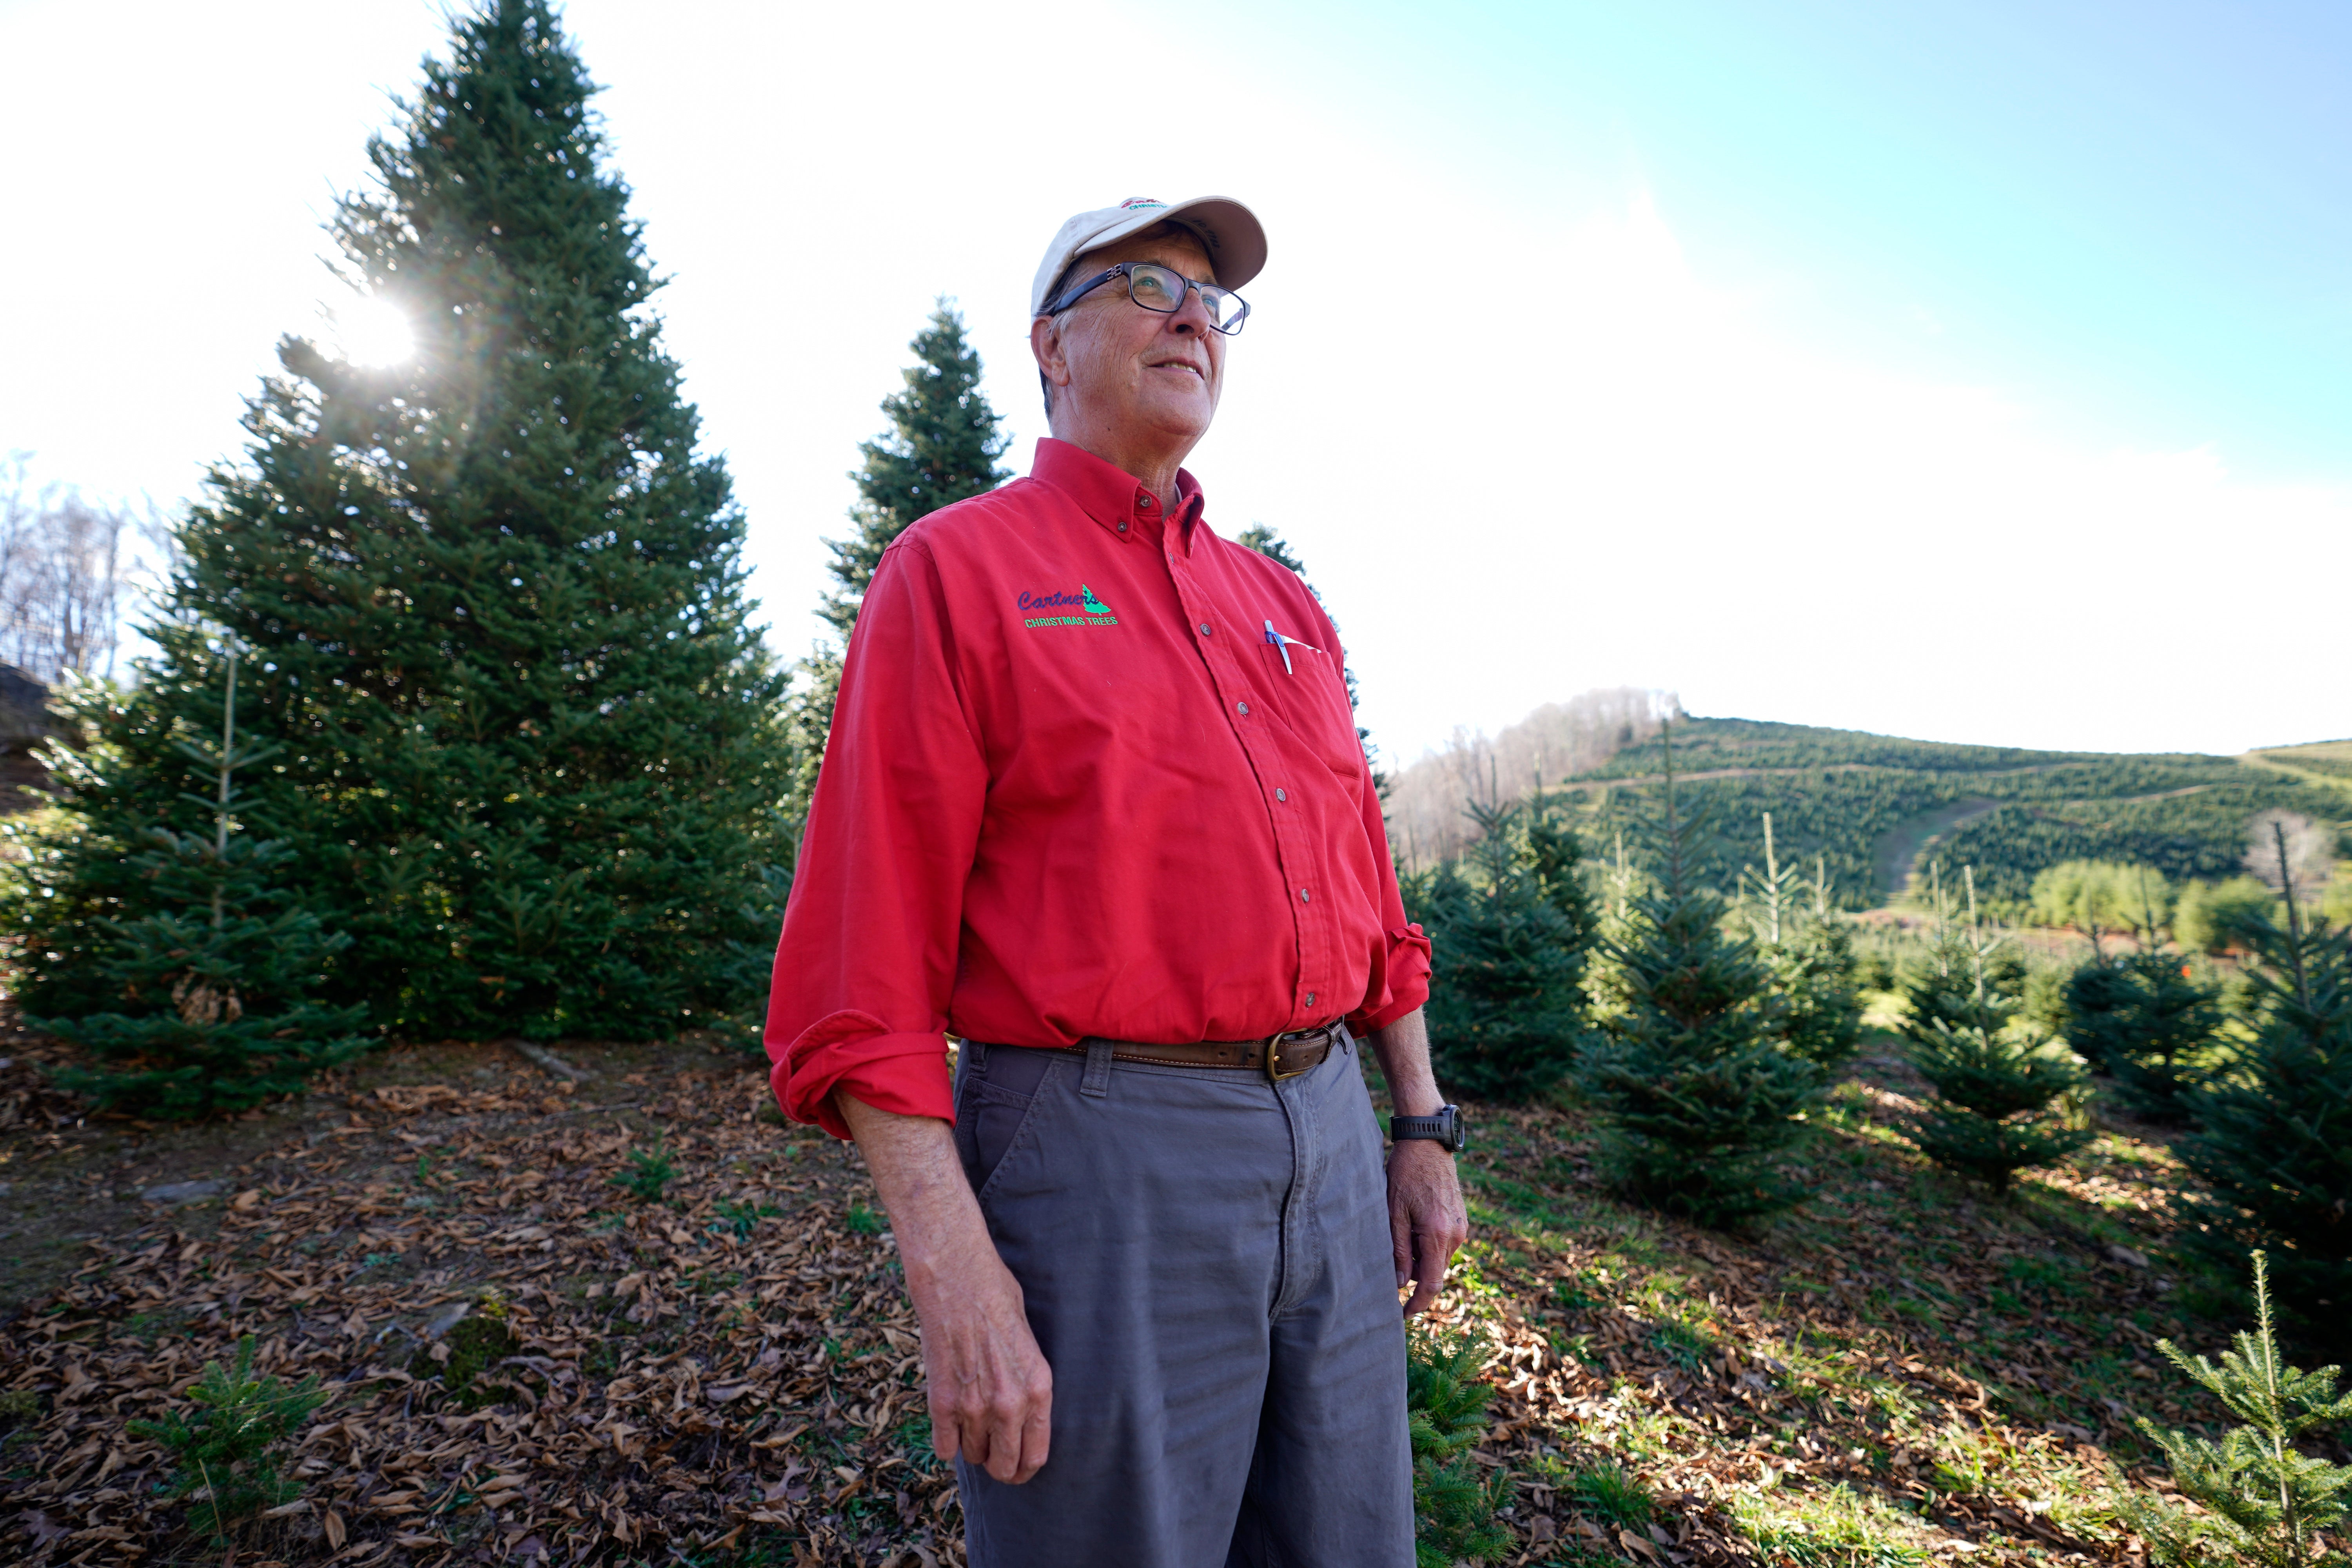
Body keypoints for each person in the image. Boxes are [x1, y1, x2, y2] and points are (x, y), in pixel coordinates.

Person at [766, 194, 1469, 1568]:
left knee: (1350, 1545)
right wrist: (953, 1273)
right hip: (1102, 1151)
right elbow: (863, 965)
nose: (1193, 315)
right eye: (1149, 284)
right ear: (1050, 344)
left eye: (1215, 299)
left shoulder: (1283, 605)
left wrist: (1421, 1127)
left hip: (1329, 1137)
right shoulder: (955, 574)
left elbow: (1368, 891)